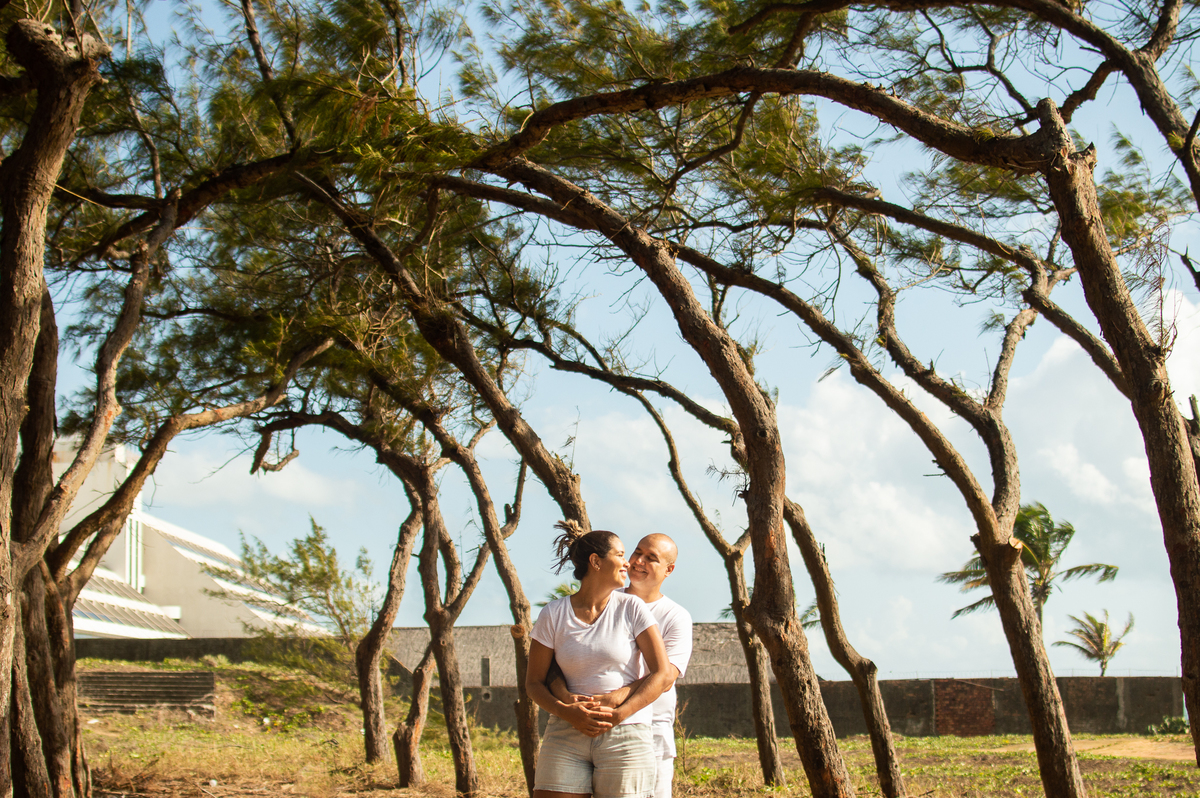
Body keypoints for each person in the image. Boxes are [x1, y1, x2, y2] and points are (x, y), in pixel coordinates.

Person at [527, 525, 673, 798]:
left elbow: (662, 673)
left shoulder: (632, 608)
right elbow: (534, 682)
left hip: (625, 735)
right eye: (620, 554)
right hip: (564, 734)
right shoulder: (553, 613)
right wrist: (565, 711)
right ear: (596, 561)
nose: (627, 562)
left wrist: (620, 714)